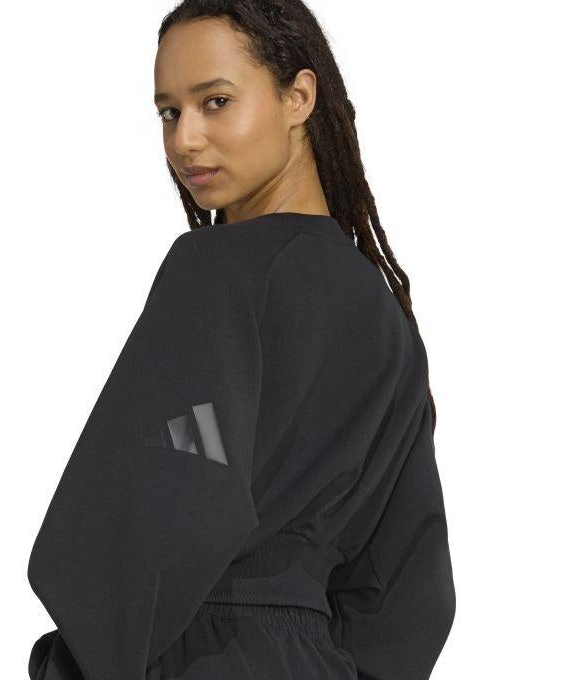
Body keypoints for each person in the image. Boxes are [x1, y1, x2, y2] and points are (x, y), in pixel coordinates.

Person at [26, 1, 456, 679]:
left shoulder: (217, 271)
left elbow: (152, 515)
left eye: (216, 102)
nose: (186, 139)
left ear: (299, 97)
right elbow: (411, 587)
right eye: (169, 112)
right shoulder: (387, 321)